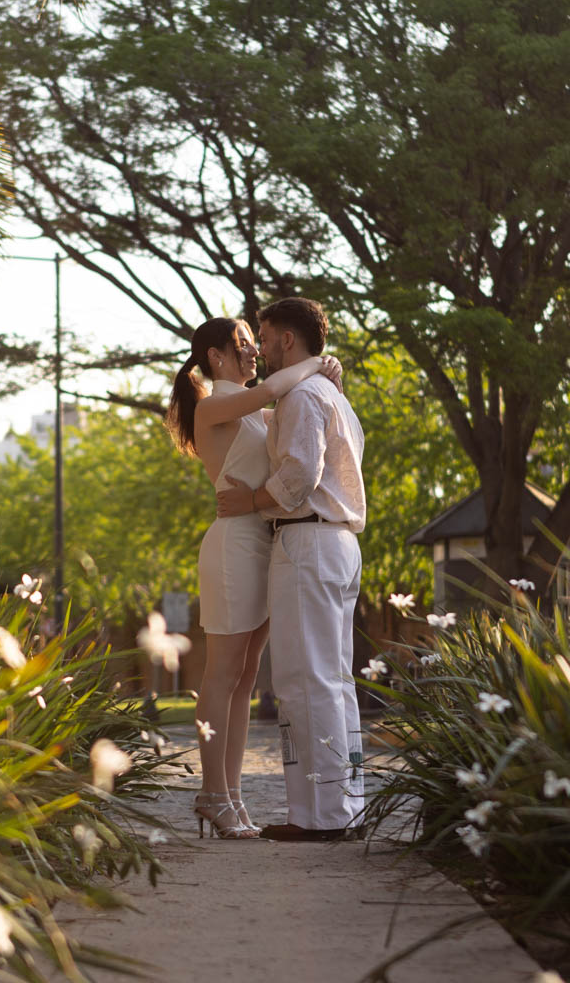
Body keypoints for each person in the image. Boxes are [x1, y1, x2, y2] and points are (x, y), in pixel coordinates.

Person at [165, 316, 341, 840]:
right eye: (242, 345)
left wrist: (319, 371)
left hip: (266, 541)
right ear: (216, 357)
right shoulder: (214, 407)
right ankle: (211, 792)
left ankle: (232, 794)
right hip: (232, 546)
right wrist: (317, 361)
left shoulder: (257, 412)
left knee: (245, 679)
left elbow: (284, 403)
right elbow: (272, 387)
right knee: (221, 674)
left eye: (252, 343)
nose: (252, 352)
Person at [217, 297, 366, 842]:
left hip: (307, 538)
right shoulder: (332, 395)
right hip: (336, 542)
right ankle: (338, 809)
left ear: (286, 339)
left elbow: (301, 473)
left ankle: (322, 816)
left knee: (307, 682)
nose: (258, 342)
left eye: (263, 331)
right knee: (333, 680)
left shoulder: (304, 395)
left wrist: (251, 502)